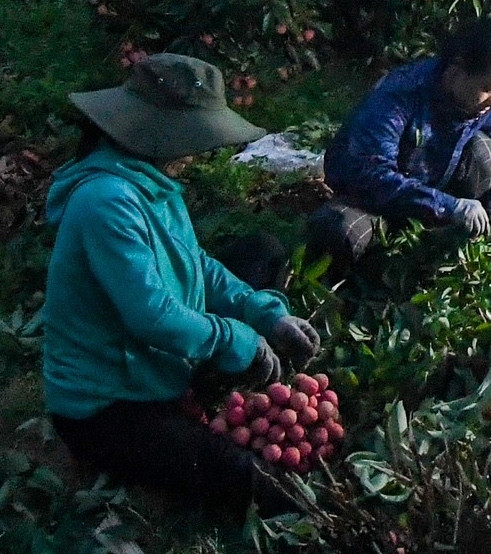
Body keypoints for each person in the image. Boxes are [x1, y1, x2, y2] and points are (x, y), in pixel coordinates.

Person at [42, 53, 323, 515]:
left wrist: (265, 315)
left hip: (158, 360)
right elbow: (151, 316)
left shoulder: (148, 180)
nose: (196, 153)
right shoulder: (106, 201)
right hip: (108, 405)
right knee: (242, 478)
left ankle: (203, 376)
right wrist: (239, 339)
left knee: (261, 253)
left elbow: (197, 265)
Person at [307, 17, 491, 269]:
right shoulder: (400, 96)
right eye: (489, 89)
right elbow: (373, 176)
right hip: (372, 200)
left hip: (439, 197)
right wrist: (448, 207)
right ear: (457, 69)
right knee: (338, 229)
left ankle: (447, 245)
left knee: (488, 156)